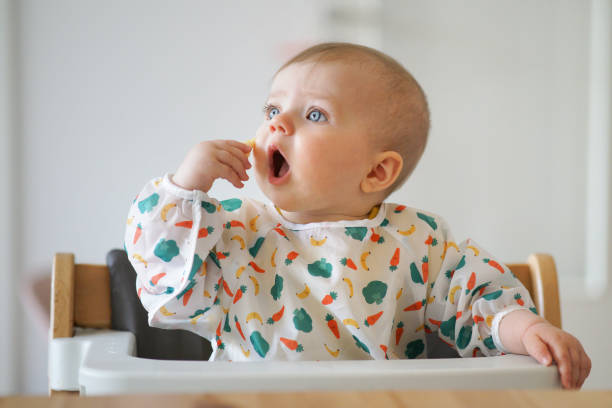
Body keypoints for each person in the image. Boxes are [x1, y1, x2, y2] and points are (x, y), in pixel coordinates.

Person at [124, 42, 590, 388]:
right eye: (272, 108)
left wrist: (529, 328)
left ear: (376, 171)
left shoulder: (418, 241)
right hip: (251, 399)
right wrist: (184, 190)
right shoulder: (233, 230)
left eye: (315, 115)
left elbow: (475, 304)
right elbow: (165, 285)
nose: (277, 123)